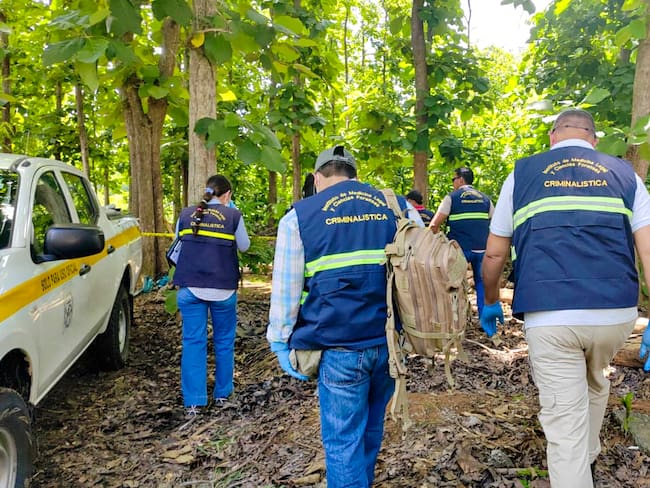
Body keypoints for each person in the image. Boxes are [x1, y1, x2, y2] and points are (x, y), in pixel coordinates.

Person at [480, 108, 650, 487]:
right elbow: (648, 251)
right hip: (615, 314)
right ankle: (588, 460)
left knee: (564, 427)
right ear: (594, 139)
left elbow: (494, 255)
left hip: (550, 315)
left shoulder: (523, 173)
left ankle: (579, 465)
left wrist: (491, 298)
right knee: (595, 377)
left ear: (553, 137)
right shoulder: (627, 176)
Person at [266, 145, 422, 487]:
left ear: (318, 178)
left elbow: (287, 287)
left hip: (337, 347)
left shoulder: (300, 217)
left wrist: (279, 339)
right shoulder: (398, 207)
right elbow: (419, 267)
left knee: (341, 442)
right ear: (354, 175)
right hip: (388, 342)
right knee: (370, 428)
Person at [173, 175, 250, 418]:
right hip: (223, 289)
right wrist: (232, 213)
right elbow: (245, 246)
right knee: (224, 342)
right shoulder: (233, 216)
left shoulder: (187, 215)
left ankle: (194, 403)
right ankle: (222, 395)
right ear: (227, 195)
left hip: (191, 288)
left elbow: (179, 242)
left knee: (193, 342)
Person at [430, 167, 494, 317]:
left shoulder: (452, 197)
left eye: (453, 179)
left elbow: (434, 225)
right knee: (481, 285)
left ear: (460, 179)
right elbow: (496, 225)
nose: (453, 183)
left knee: (454, 284)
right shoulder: (485, 199)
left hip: (460, 250)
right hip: (482, 250)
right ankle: (486, 323)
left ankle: (457, 320)